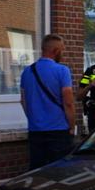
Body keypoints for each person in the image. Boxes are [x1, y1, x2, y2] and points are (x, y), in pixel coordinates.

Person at [19, 33, 75, 171]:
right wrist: (72, 126)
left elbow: (23, 101)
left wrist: (34, 119)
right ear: (56, 51)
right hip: (58, 130)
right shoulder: (62, 70)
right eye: (62, 49)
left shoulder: (27, 71)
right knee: (58, 171)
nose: (62, 53)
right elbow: (68, 102)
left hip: (36, 130)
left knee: (37, 171)